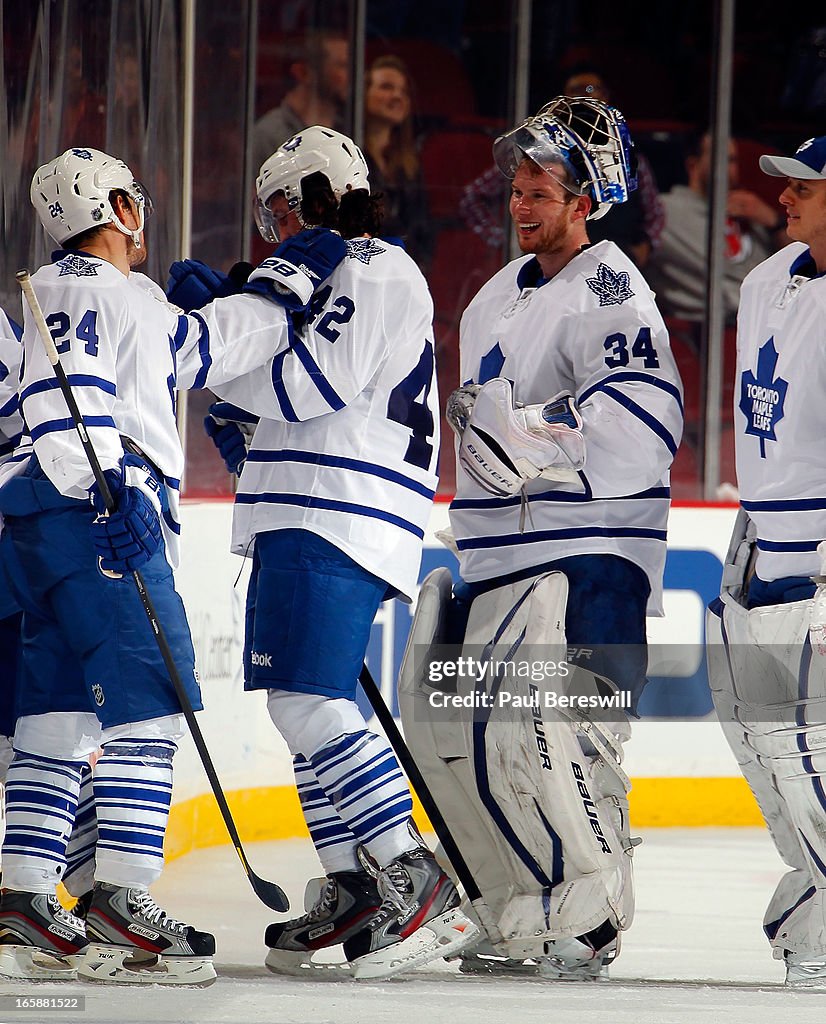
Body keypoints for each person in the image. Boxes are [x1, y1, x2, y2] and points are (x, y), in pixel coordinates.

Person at [187, 124, 479, 979]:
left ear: (318, 192)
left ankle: (412, 874)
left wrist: (215, 351)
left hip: (335, 505)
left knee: (307, 705)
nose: (274, 229)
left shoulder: (371, 265)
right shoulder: (336, 273)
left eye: (282, 207)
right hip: (305, 503)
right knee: (297, 703)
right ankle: (355, 881)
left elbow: (308, 383)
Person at [404, 96, 683, 979]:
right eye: (518, 187)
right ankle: (520, 908)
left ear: (588, 197)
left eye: (541, 189)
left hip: (588, 556)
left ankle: (592, 919)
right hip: (499, 556)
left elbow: (648, 418)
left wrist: (533, 435)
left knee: (563, 737)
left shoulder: (610, 286)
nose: (521, 203)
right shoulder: (497, 294)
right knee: (474, 741)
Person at [0, 147, 294, 984]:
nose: (143, 215)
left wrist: (271, 292)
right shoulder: (83, 287)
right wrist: (109, 487)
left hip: (46, 525)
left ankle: (25, 895)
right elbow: (70, 398)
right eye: (133, 200)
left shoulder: (119, 294)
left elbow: (201, 349)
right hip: (100, 518)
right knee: (153, 707)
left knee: (58, 711)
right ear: (114, 208)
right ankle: (121, 899)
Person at [707, 135, 826, 988]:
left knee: (803, 746)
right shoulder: (764, 281)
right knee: (756, 740)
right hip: (757, 542)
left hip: (818, 553)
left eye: (805, 186)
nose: (782, 196)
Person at [459, 66, 664, 268]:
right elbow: (474, 196)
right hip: (550, 266)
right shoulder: (532, 152)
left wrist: (646, 244)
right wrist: (507, 239)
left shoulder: (626, 162)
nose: (584, 97)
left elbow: (654, 212)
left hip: (610, 265)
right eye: (576, 90)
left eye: (592, 90)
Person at [646, 129, 787, 325]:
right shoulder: (665, 211)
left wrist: (774, 221)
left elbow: (802, 263)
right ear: (693, 165)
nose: (731, 170)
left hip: (772, 319)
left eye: (734, 161)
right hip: (709, 332)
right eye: (723, 159)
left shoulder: (753, 213)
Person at [363, 55, 432, 269]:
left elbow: (422, 228)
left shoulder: (410, 164)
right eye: (386, 87)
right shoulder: (349, 154)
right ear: (362, 93)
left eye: (403, 92)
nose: (397, 96)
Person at [252, 30, 349, 177]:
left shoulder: (348, 131)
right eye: (342, 65)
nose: (354, 75)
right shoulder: (268, 136)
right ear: (303, 72)